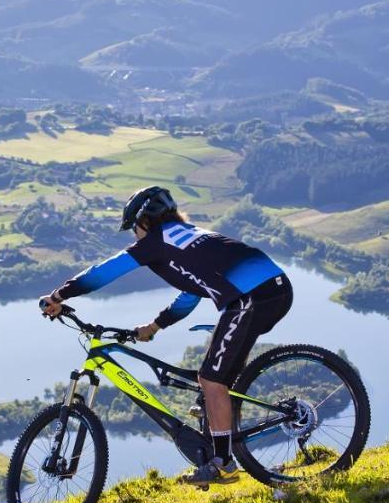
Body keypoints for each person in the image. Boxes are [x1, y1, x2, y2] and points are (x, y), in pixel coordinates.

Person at [40, 186, 293, 486]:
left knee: (211, 380)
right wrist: (156, 325)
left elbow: (104, 272)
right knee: (216, 375)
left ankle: (223, 464)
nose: (134, 236)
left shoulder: (157, 241)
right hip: (273, 289)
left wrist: (58, 295)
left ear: (145, 221)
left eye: (134, 229)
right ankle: (215, 434)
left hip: (251, 297)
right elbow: (191, 292)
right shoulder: (186, 236)